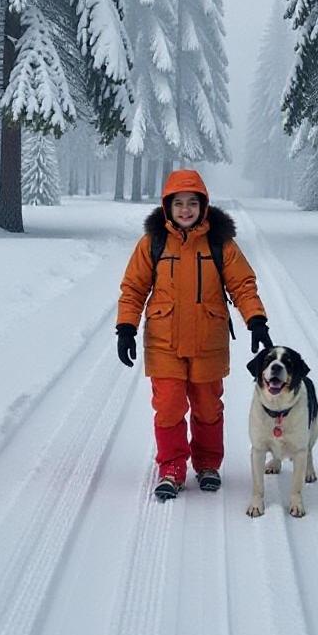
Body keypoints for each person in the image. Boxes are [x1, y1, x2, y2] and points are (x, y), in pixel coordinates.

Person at [116, 168, 272, 501]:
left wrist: (256, 320)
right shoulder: (153, 243)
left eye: (192, 203)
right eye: (178, 204)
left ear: (203, 205)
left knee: (208, 408)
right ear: (167, 207)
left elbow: (243, 284)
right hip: (164, 342)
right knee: (168, 407)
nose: (185, 210)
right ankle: (171, 467)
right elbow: (133, 287)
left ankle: (207, 465)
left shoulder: (220, 243)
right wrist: (126, 327)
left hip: (208, 342)